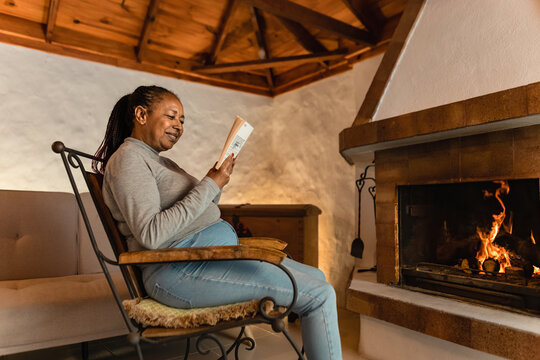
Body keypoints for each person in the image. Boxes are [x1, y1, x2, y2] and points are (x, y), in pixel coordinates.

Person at [93, 85, 342, 360]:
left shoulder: (159, 161)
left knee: (317, 278)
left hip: (209, 259)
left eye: (183, 121)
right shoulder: (129, 159)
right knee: (319, 294)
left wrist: (216, 180)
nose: (179, 126)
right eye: (172, 116)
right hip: (177, 272)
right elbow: (152, 234)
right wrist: (210, 184)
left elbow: (196, 211)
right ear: (141, 114)